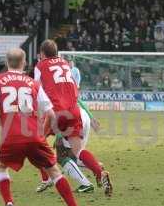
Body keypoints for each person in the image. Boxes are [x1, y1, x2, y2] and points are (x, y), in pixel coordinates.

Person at [0, 48, 83, 206]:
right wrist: (45, 131)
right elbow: (51, 114)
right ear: (24, 63)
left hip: (11, 136)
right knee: (54, 172)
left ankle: (9, 203)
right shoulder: (33, 83)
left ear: (7, 63)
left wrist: (3, 124)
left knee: (0, 167)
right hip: (33, 135)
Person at [34, 39, 112, 196]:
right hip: (74, 111)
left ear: (42, 54)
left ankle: (47, 178)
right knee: (77, 152)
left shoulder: (40, 66)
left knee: (38, 144)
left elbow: (35, 88)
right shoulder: (65, 64)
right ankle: (99, 172)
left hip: (56, 112)